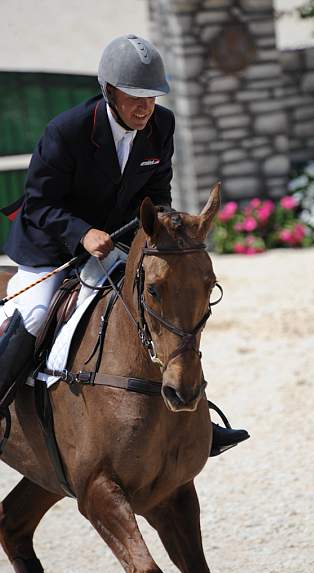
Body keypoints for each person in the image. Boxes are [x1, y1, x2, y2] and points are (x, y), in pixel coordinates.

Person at [0, 34, 249, 456]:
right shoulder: (67, 131)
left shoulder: (161, 125)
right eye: (135, 96)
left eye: (151, 96)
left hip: (116, 243)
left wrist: (168, 229)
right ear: (109, 91)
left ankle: (193, 414)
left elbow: (157, 190)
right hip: (52, 249)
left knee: (160, 309)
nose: (145, 107)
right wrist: (81, 232)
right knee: (38, 311)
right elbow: (40, 203)